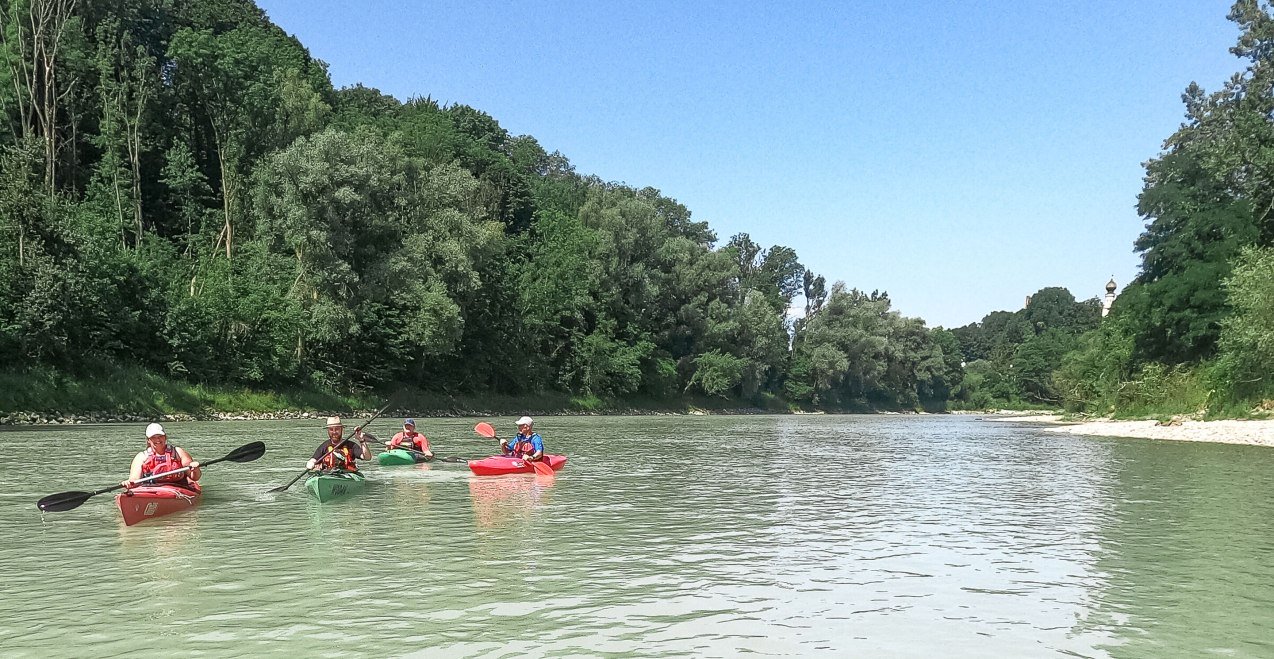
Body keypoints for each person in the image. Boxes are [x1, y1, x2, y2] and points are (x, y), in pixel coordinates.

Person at [121, 423, 201, 490]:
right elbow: (135, 479)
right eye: (153, 437)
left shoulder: (178, 452)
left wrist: (195, 470)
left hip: (179, 487)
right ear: (148, 440)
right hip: (152, 489)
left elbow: (195, 477)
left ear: (165, 437)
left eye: (160, 436)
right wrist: (129, 482)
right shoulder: (141, 457)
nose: (158, 440)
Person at [305, 416, 372, 472]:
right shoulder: (324, 446)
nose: (334, 432)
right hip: (328, 475)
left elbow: (367, 457)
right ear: (328, 431)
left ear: (342, 430)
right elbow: (313, 459)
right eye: (331, 429)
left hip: (347, 476)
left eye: (337, 429)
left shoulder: (351, 445)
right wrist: (311, 463)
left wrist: (362, 440)